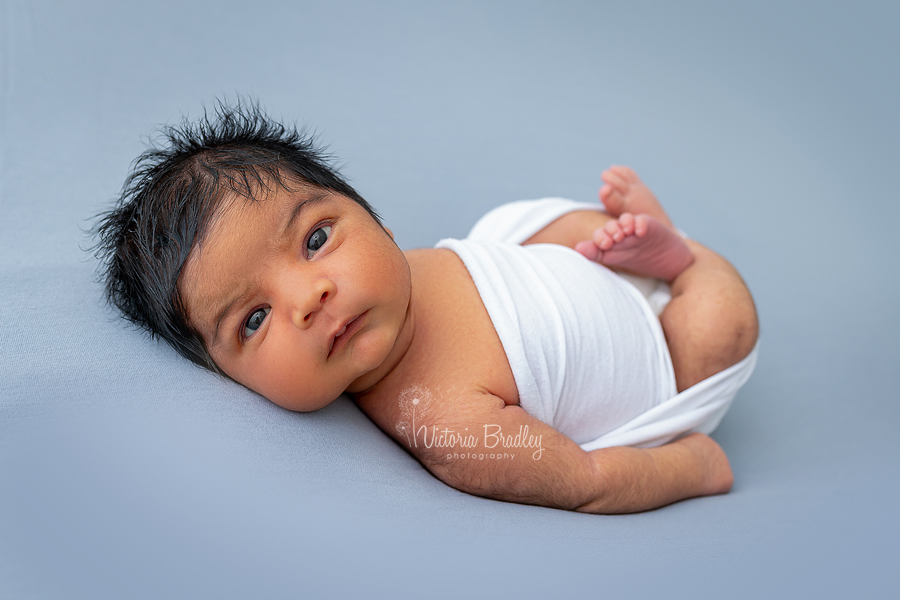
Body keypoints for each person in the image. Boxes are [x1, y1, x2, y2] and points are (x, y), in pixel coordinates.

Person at [94, 102, 759, 514]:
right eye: (254, 319)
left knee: (512, 224)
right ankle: (686, 271)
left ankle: (642, 247)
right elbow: (585, 478)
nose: (309, 297)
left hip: (541, 267)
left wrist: (588, 247)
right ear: (229, 378)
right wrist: (690, 467)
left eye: (317, 238)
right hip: (661, 360)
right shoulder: (448, 427)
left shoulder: (400, 269)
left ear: (369, 212)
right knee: (721, 325)